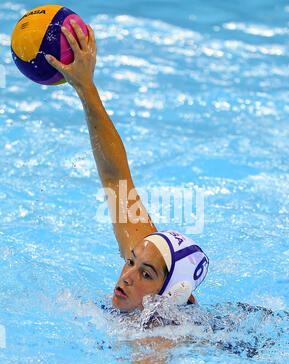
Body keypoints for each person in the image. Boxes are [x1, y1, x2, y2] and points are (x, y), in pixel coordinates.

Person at [45, 20, 209, 313]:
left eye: (146, 274)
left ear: (171, 295)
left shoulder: (160, 342)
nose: (127, 277)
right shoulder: (152, 258)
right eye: (130, 261)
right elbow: (115, 179)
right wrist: (85, 86)